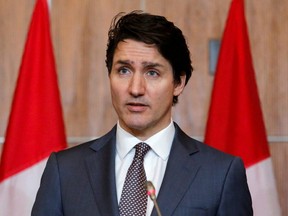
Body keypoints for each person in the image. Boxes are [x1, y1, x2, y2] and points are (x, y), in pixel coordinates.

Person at [32, 11, 253, 216]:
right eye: (124, 70)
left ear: (178, 83)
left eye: (152, 73)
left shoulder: (220, 174)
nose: (136, 88)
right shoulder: (65, 171)